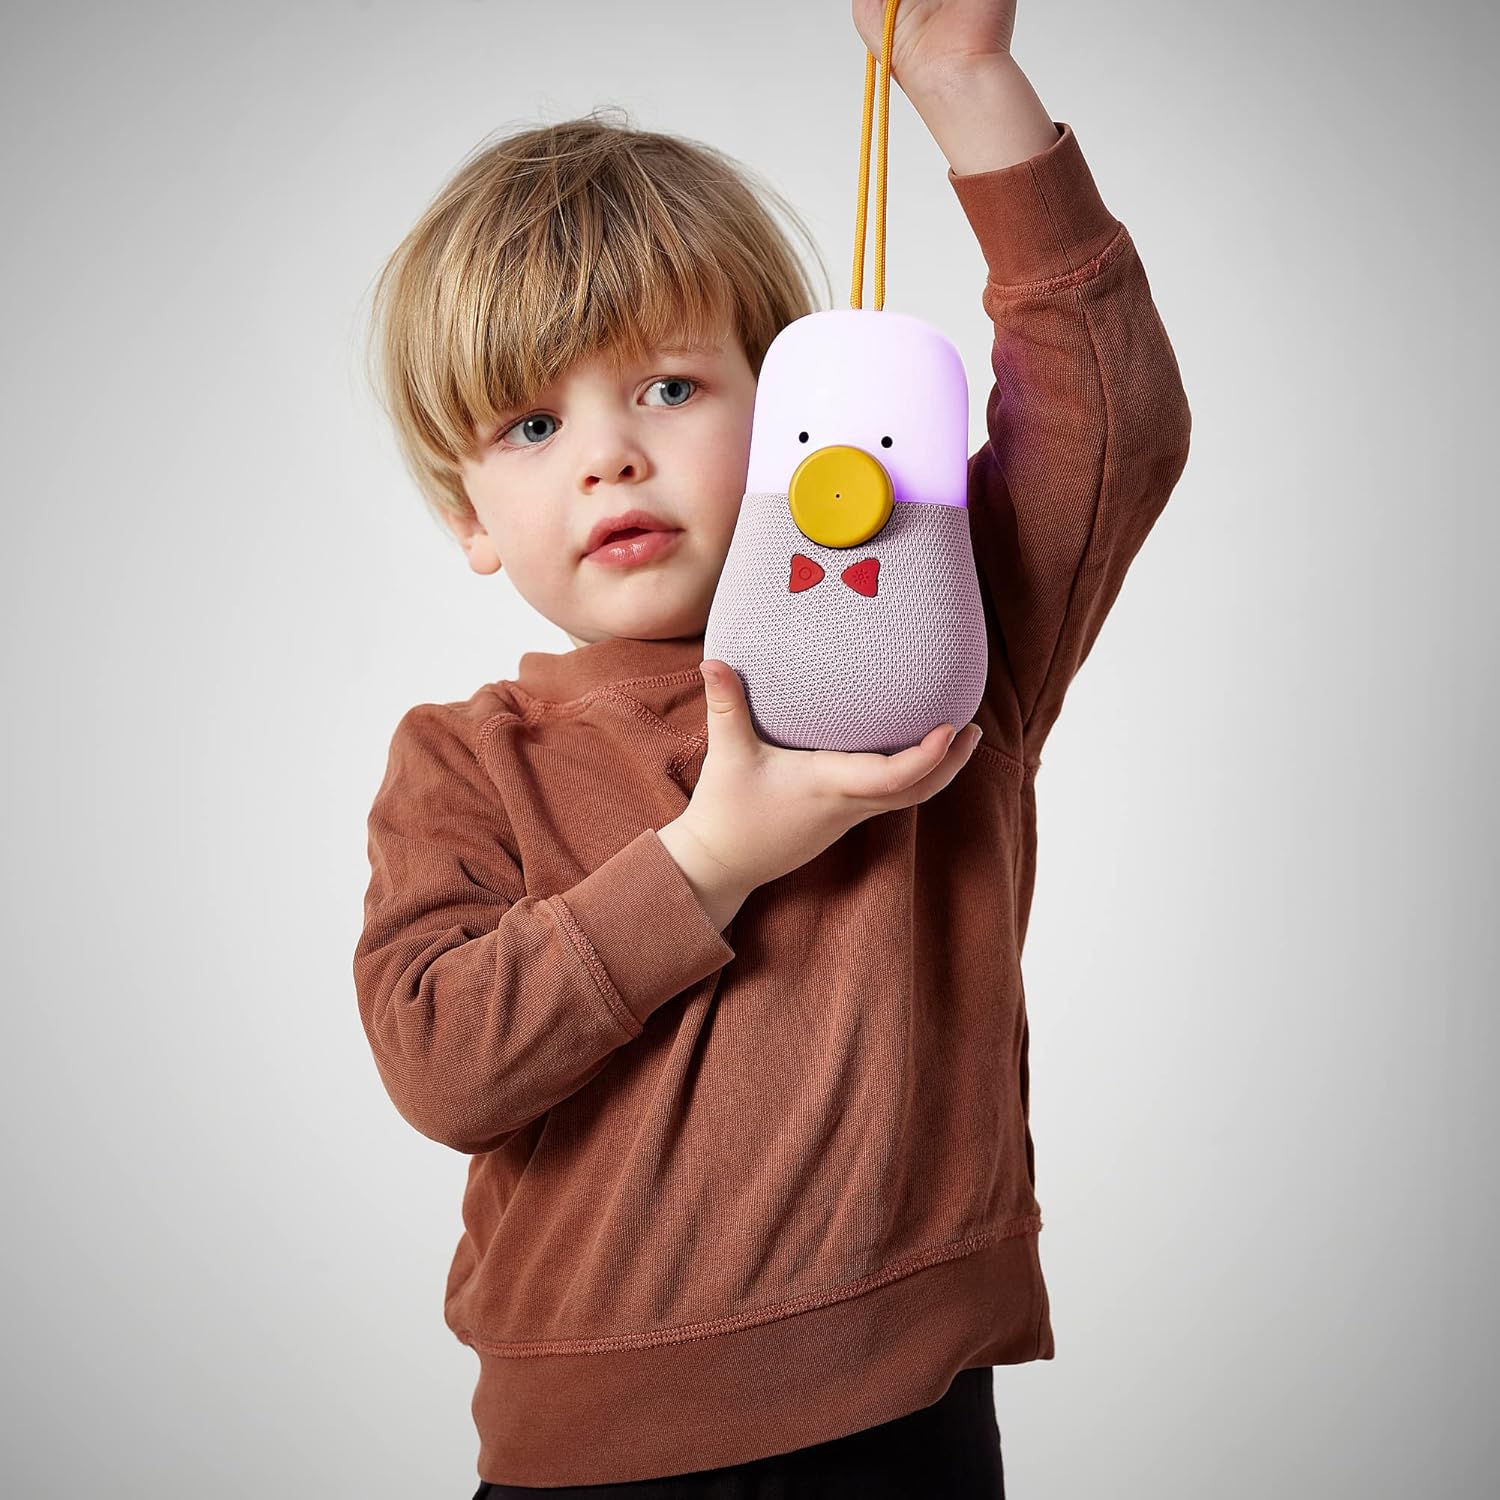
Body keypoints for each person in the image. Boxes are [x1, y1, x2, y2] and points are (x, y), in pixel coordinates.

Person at [354, 1, 1191, 1492]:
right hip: (579, 1458)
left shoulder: (937, 622)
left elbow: (1112, 412)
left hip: (896, 1427)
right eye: (531, 427)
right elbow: (440, 1064)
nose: (609, 450)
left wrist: (963, 81)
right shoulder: (468, 760)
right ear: (469, 516)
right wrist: (710, 859)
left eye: (669, 388)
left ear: (793, 405)